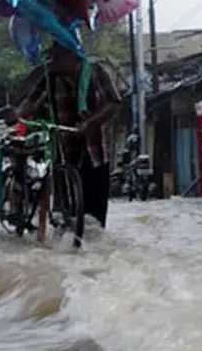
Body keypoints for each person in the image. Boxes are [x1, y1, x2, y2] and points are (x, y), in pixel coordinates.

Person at [7, 42, 120, 245]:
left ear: (71, 55)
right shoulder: (51, 78)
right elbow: (31, 101)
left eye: (57, 57)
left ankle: (94, 252)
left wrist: (89, 123)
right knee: (68, 209)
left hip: (96, 149)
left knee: (95, 214)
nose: (52, 62)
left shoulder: (96, 71)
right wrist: (17, 114)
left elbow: (113, 103)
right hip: (65, 149)